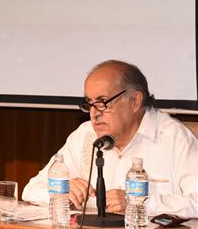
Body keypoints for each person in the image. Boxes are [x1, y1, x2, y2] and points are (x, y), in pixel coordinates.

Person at [22, 60, 198, 218]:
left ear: (135, 101)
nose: (94, 114)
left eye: (103, 102)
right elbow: (31, 190)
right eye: (89, 103)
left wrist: (139, 203)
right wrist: (61, 193)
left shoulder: (173, 138)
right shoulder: (85, 135)